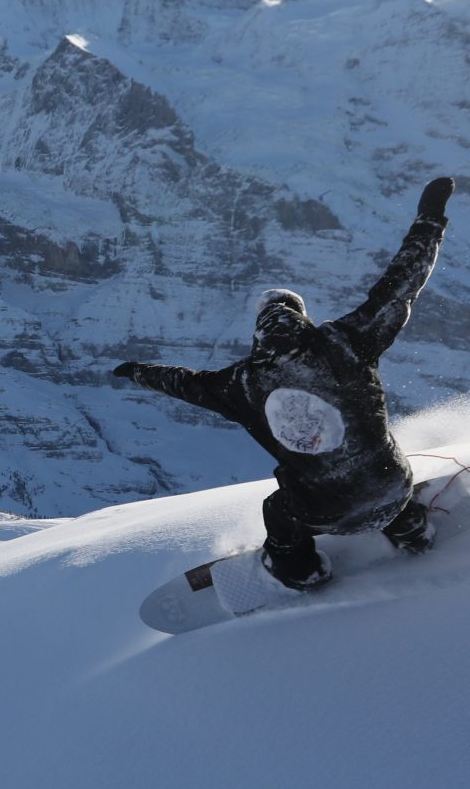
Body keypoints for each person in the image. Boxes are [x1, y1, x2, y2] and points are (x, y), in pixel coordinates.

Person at [111, 176, 456, 590]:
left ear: (259, 332)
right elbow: (403, 284)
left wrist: (136, 370)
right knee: (373, 467)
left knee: (279, 510)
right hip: (393, 489)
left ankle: (301, 571)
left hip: (326, 514)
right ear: (302, 320)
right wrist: (430, 219)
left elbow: (183, 383)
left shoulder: (241, 384)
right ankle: (412, 531)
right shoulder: (348, 342)